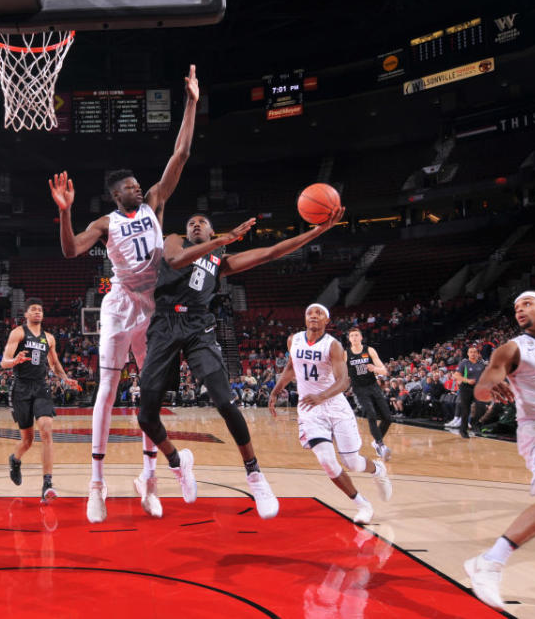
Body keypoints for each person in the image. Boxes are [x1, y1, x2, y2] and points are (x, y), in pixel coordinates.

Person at [52, 64, 200, 523]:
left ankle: (148, 480)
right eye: (130, 187)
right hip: (119, 305)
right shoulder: (106, 223)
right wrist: (65, 212)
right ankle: (96, 486)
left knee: (150, 396)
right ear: (118, 196)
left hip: (153, 308)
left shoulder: (155, 203)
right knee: (107, 392)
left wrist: (192, 101)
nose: (139, 188)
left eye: (139, 184)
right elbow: (71, 250)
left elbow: (180, 153)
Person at [136, 210, 343, 516]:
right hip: (165, 323)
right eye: (191, 222)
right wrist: (226, 238)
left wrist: (318, 231)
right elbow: (175, 261)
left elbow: (272, 252)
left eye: (202, 223)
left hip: (198, 327)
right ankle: (179, 463)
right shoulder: (173, 241)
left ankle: (255, 474)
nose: (195, 225)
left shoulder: (219, 262)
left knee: (225, 402)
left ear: (210, 232)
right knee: (145, 416)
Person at [465, 291, 535, 611]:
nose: (519, 310)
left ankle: (485, 561)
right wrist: (490, 385)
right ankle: (490, 563)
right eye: (516, 307)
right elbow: (481, 386)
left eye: (527, 304)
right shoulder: (514, 347)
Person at [269, 304, 393, 524]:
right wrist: (276, 390)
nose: (314, 316)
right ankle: (362, 504)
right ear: (305, 318)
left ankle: (378, 469)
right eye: (310, 313)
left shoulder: (333, 346)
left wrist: (321, 396)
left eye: (319, 313)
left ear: (327, 321)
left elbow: (344, 381)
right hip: (310, 411)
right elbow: (291, 368)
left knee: (352, 463)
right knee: (327, 460)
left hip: (335, 407)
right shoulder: (293, 340)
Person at [0, 298, 80, 503]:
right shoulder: (18, 333)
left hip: (40, 387)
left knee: (46, 428)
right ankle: (15, 460)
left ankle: (47, 483)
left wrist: (65, 378)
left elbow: (54, 363)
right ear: (25, 314)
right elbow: (3, 362)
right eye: (33, 310)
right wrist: (14, 361)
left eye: (40, 310)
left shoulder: (49, 338)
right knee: (27, 440)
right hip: (21, 388)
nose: (37, 312)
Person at [346, 327, 392, 459]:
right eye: (352, 336)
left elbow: (384, 371)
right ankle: (380, 445)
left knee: (388, 418)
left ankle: (376, 441)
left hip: (373, 386)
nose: (354, 338)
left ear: (361, 337)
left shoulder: (369, 350)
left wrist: (374, 368)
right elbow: (340, 372)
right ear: (349, 339)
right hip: (359, 389)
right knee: (371, 414)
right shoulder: (346, 354)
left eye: (356, 335)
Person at [452, 346, 488, 438]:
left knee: (482, 408)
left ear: (478, 354)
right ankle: (463, 431)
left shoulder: (482, 364)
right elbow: (456, 375)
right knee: (465, 410)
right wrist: (467, 380)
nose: (473, 353)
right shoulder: (464, 363)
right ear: (468, 354)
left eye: (475, 352)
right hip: (466, 388)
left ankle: (473, 422)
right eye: (471, 352)